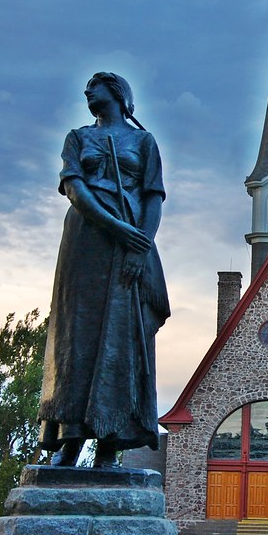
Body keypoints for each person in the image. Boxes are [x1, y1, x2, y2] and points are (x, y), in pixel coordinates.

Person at [37, 72, 170, 468]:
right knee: (76, 339)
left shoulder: (143, 142)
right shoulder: (77, 138)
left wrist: (139, 246)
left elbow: (153, 197)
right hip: (87, 240)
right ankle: (70, 442)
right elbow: (76, 189)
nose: (86, 92)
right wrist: (120, 230)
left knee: (122, 340)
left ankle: (111, 447)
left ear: (115, 93)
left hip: (130, 245)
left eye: (93, 86)